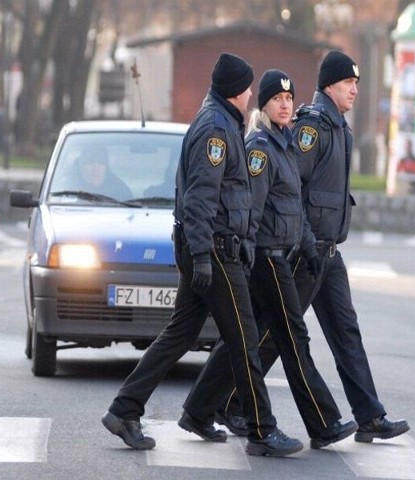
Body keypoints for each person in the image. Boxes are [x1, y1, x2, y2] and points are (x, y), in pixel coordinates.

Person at [101, 52, 303, 458]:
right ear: (234, 90)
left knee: (181, 334)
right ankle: (262, 430)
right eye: (246, 87)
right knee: (244, 339)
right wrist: (204, 256)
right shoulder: (215, 130)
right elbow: (200, 200)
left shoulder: (224, 123)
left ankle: (127, 410)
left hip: (214, 249)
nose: (250, 94)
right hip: (214, 249)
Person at [217, 51, 409, 445]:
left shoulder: (341, 127)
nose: (354, 89)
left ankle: (369, 415)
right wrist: (296, 241)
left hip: (328, 252)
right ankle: (230, 403)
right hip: (303, 252)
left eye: (356, 83)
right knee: (278, 333)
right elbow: (289, 186)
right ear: (328, 86)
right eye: (346, 83)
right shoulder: (313, 129)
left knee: (345, 332)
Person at [180, 69, 358, 450]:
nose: (285, 104)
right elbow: (251, 208)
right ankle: (322, 422)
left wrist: (309, 245)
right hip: (265, 257)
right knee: (293, 337)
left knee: (250, 339)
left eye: (290, 98)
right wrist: (246, 251)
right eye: (277, 98)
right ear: (263, 104)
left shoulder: (285, 145)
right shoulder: (260, 147)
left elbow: (295, 207)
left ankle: (203, 408)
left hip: (282, 254)